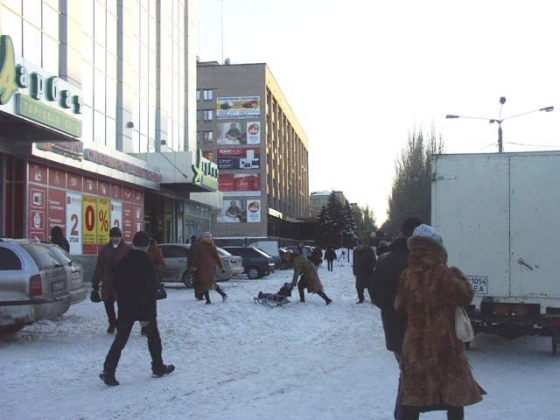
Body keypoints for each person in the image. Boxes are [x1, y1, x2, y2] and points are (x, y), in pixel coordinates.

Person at [395, 224, 483, 419]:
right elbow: (465, 296)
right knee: (453, 395)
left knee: (413, 396)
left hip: (415, 346)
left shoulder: (406, 275)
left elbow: (398, 306)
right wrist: (459, 276)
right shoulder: (445, 273)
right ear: (436, 247)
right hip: (445, 343)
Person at [99, 231, 175, 386]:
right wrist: (146, 316)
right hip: (143, 308)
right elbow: (149, 290)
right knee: (153, 338)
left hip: (126, 307)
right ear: (147, 245)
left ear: (133, 243)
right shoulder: (146, 263)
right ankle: (158, 367)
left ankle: (108, 370)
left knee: (120, 339)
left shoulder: (124, 260)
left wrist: (123, 300)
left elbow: (116, 283)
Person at [371, 217, 422, 420]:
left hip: (394, 330)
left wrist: (392, 308)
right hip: (420, 330)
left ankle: (402, 415)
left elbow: (375, 295)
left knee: (407, 375)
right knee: (415, 379)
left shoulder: (384, 259)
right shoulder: (421, 260)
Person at [91, 227, 131, 333]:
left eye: (117, 236)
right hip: (107, 282)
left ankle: (119, 324)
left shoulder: (126, 249)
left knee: (122, 305)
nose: (115, 238)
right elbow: (99, 266)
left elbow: (131, 266)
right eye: (113, 236)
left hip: (122, 282)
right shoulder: (105, 249)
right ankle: (112, 323)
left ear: (120, 237)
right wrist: (95, 280)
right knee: (108, 304)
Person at [190, 232, 228, 304]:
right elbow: (217, 258)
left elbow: (195, 257)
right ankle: (222, 295)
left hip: (202, 267)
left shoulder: (199, 246)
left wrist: (193, 266)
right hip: (211, 267)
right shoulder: (213, 246)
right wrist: (221, 267)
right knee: (210, 282)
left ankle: (209, 300)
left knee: (204, 283)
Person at [142, 238, 166, 336]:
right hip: (140, 281)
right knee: (142, 304)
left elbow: (162, 265)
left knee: (151, 304)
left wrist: (151, 267)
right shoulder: (139, 251)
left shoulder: (156, 251)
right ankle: (144, 327)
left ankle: (150, 326)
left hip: (152, 281)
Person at [352, 238, 376, 304]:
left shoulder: (369, 250)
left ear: (363, 244)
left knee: (370, 287)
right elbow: (354, 262)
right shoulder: (355, 251)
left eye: (360, 244)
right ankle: (361, 299)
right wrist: (354, 271)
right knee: (359, 287)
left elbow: (373, 260)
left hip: (368, 272)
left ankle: (374, 300)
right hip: (359, 272)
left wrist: (370, 268)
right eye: (357, 245)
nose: (359, 246)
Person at [187, 235, 203, 300]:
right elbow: (194, 257)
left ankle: (198, 294)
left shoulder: (193, 245)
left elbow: (190, 257)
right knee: (198, 281)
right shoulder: (196, 246)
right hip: (197, 266)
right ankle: (199, 295)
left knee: (196, 280)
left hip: (194, 265)